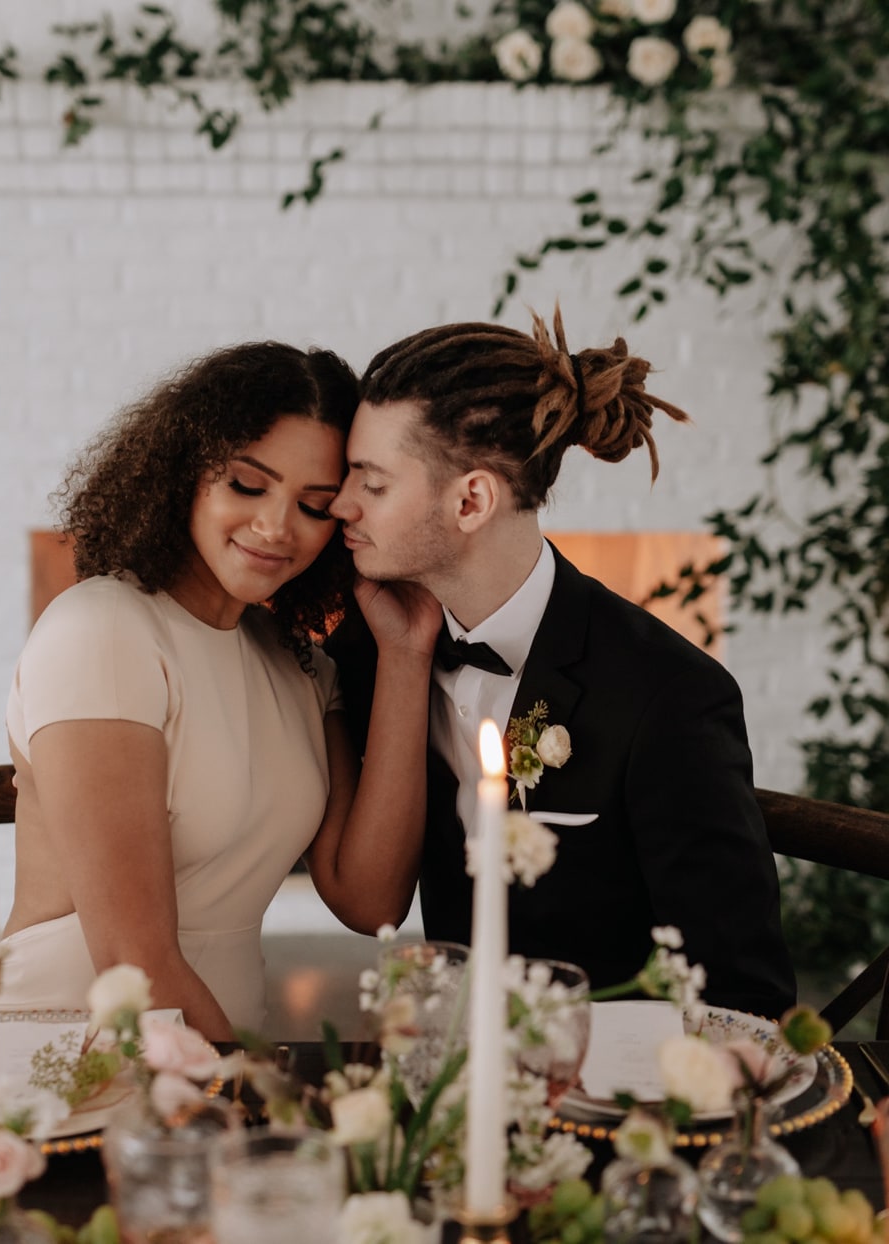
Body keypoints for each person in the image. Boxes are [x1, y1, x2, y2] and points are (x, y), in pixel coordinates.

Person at [325, 308, 796, 1018]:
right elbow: (373, 901)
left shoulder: (667, 697)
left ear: (472, 500)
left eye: (372, 482)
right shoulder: (375, 648)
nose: (340, 503)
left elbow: (742, 996)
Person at [0, 342, 440, 1041]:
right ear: (183, 471)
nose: (275, 528)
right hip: (65, 1046)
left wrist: (406, 656)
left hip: (215, 1052)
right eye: (247, 485)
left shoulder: (298, 666)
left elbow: (370, 900)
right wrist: (249, 1095)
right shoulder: (104, 630)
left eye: (315, 506)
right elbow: (132, 965)